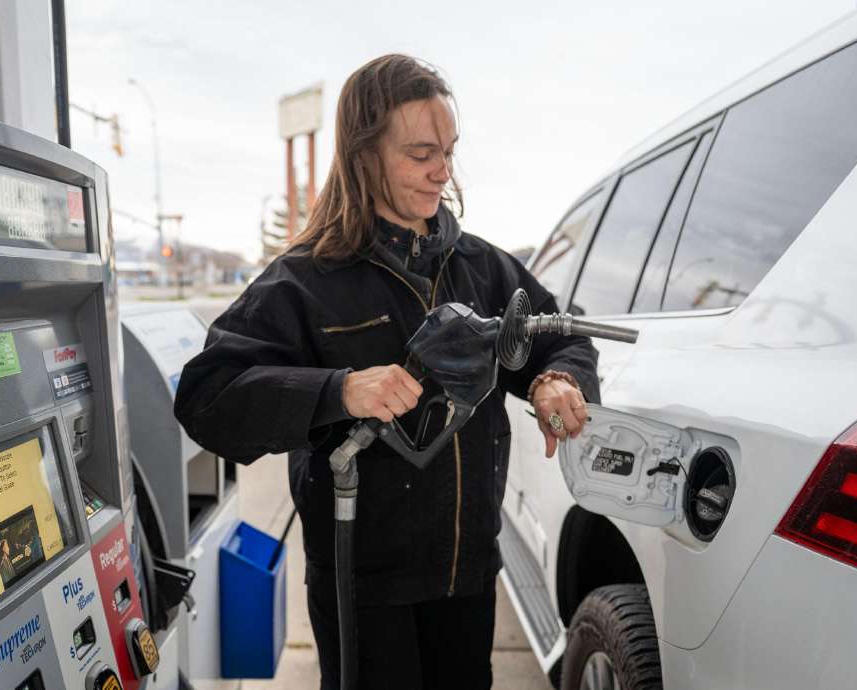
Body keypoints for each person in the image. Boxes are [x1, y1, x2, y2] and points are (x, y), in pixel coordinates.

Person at [174, 54, 599, 690]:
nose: (442, 172)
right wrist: (338, 389)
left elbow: (561, 334)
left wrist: (553, 379)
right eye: (421, 153)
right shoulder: (303, 282)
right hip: (363, 589)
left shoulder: (484, 270)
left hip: (466, 574)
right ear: (364, 155)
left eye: (449, 151)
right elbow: (207, 397)